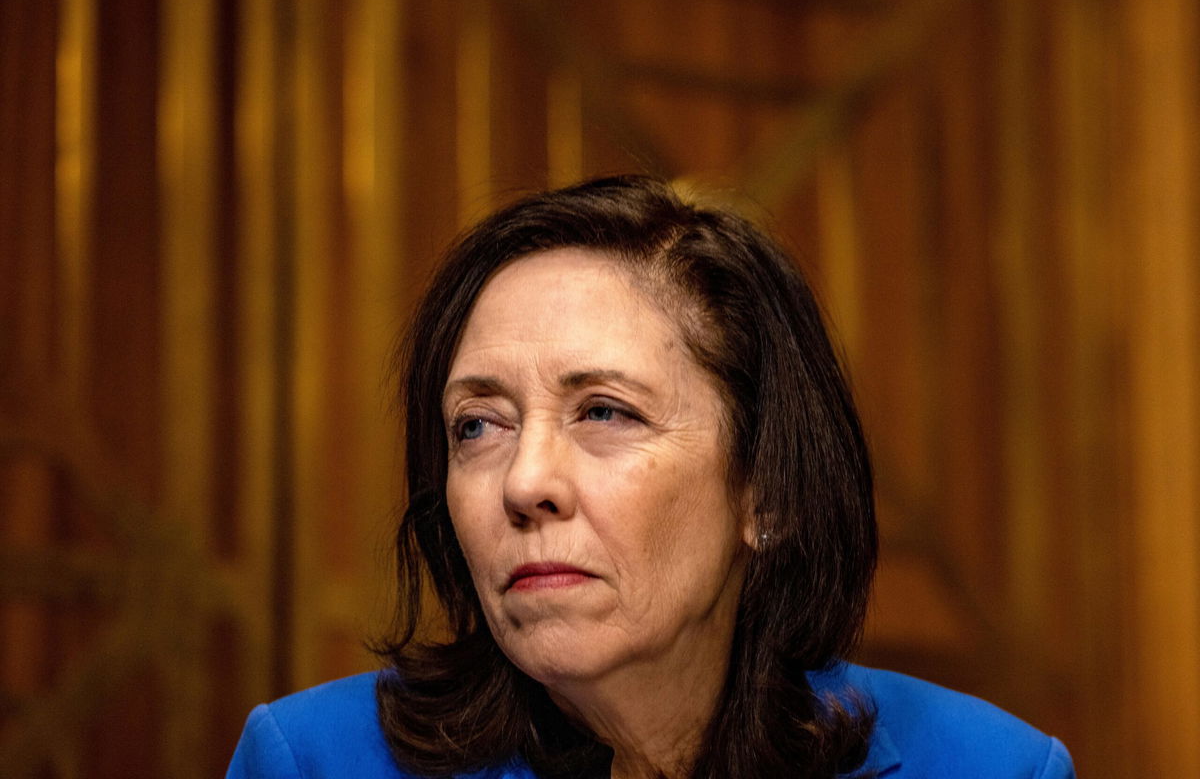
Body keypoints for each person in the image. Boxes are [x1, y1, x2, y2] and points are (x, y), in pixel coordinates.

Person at [227, 175, 1075, 779]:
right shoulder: (310, 761)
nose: (525, 483)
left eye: (604, 412)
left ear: (765, 488)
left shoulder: (996, 768)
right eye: (478, 426)